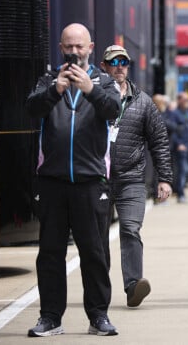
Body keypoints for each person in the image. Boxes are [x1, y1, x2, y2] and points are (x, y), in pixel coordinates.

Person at [25, 23, 121, 337]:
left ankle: (99, 316)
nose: (74, 52)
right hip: (52, 181)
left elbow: (112, 110)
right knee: (50, 252)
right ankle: (50, 317)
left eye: (79, 46)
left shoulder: (104, 81)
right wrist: (58, 89)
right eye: (68, 46)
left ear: (90, 47)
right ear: (61, 47)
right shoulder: (47, 79)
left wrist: (89, 89)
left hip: (91, 181)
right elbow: (31, 108)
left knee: (94, 253)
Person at [100, 45, 173, 308]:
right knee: (97, 237)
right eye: (113, 62)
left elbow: (159, 141)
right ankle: (99, 292)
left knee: (130, 229)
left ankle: (133, 287)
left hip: (131, 178)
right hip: (97, 178)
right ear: (104, 66)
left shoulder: (143, 102)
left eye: (124, 62)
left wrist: (164, 179)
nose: (119, 66)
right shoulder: (93, 97)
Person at [168, 92, 188, 203]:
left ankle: (181, 191)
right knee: (182, 170)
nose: (187, 102)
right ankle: (180, 194)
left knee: (186, 170)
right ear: (179, 100)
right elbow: (173, 131)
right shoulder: (174, 114)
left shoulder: (187, 113)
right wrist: (179, 144)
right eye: (184, 100)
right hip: (180, 147)